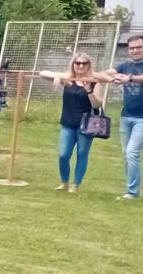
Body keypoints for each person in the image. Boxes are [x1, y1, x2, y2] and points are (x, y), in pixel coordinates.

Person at [105, 35, 143, 200]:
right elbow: (106, 73)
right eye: (132, 48)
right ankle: (131, 190)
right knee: (127, 154)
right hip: (126, 116)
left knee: (132, 153)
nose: (135, 50)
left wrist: (129, 78)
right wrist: (111, 77)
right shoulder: (125, 65)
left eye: (138, 47)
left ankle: (132, 193)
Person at [37, 53, 104, 193]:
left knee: (82, 153)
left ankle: (76, 184)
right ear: (73, 64)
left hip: (86, 124)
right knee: (63, 155)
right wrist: (57, 76)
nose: (81, 66)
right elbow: (42, 73)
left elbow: (97, 105)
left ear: (89, 65)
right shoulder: (68, 79)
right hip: (68, 123)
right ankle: (64, 182)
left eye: (84, 63)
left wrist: (89, 90)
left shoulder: (94, 82)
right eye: (77, 63)